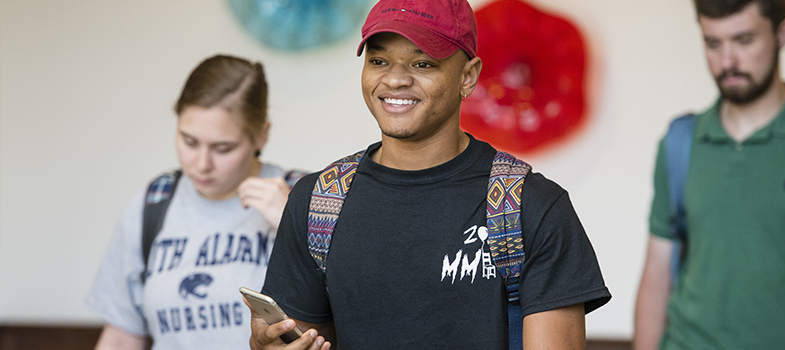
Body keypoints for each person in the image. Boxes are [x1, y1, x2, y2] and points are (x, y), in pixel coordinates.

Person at [246, 0, 611, 349]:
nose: (395, 80)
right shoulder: (319, 201)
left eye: (422, 65)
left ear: (468, 77)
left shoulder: (529, 205)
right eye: (378, 60)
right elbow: (303, 338)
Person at [634, 1, 785, 349]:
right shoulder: (679, 143)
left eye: (744, 40)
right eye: (713, 43)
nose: (727, 61)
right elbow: (657, 275)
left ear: (782, 34)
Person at [87, 54, 305, 350]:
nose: (202, 164)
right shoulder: (153, 202)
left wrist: (292, 224)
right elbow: (122, 335)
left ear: (261, 136)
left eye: (223, 148)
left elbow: (354, 309)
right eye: (189, 141)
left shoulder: (304, 196)